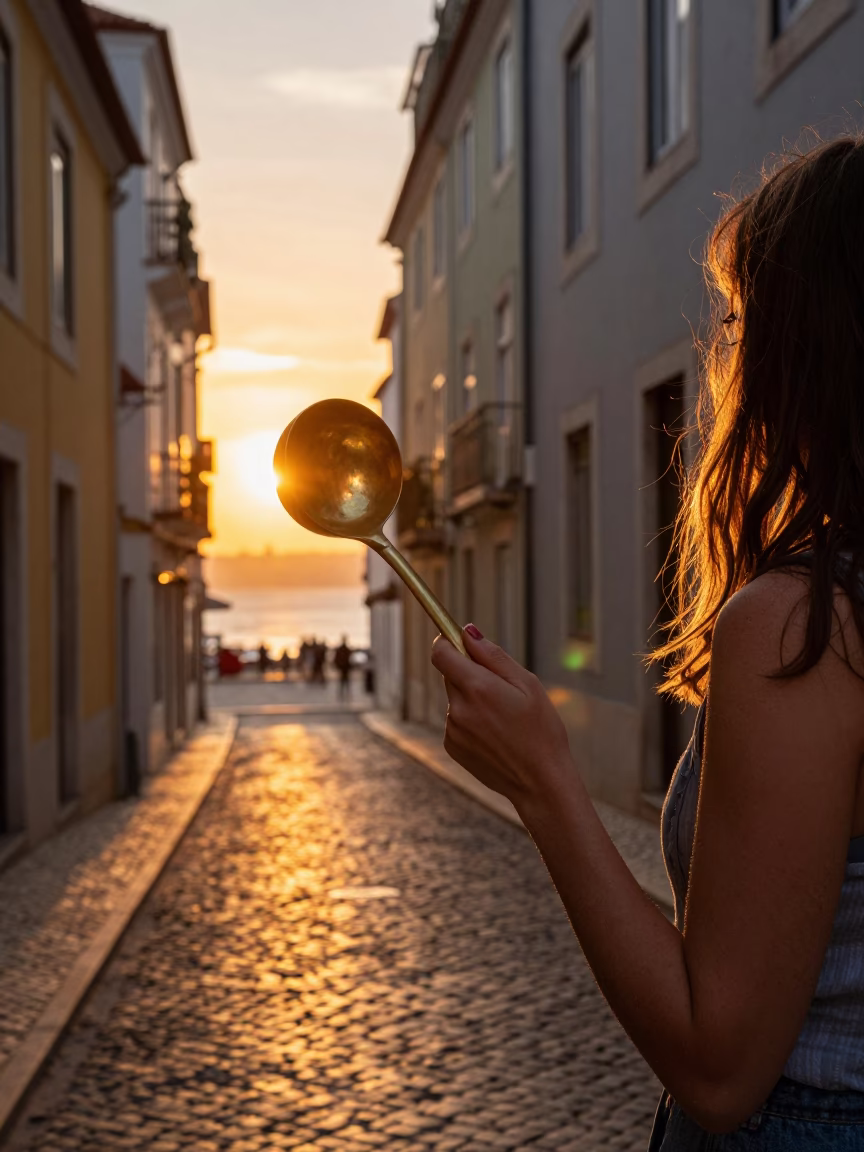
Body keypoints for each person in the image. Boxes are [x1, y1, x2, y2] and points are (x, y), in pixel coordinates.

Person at [431, 136, 864, 1148]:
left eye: (743, 321)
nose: (730, 355)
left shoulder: (805, 629)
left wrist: (542, 780)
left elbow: (719, 1066)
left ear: (811, 348)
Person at [333, 636, 352, 701]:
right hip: (344, 667)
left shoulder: (345, 649)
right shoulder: (345, 649)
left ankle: (344, 693)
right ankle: (343, 694)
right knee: (344, 681)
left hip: (344, 667)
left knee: (344, 681)